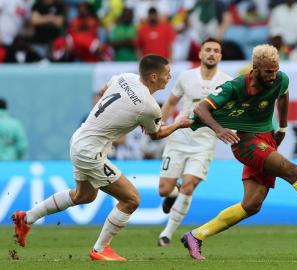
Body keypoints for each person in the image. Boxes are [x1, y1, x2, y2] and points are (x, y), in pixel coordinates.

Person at [180, 44, 297, 260]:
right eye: (268, 72)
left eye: (275, 70)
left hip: (266, 140)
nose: (273, 76)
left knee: (252, 204)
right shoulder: (235, 86)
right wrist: (219, 130)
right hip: (246, 142)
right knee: (293, 171)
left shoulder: (280, 79)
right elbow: (201, 109)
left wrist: (282, 127)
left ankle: (196, 236)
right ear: (255, 69)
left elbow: (283, 94)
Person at [11, 54, 193, 261]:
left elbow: (103, 91)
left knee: (84, 196)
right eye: (167, 74)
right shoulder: (149, 106)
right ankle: (100, 249)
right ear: (153, 77)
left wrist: (119, 114)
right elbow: (156, 135)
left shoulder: (125, 77)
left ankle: (27, 218)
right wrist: (179, 123)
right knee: (131, 199)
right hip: (91, 151)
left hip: (80, 138)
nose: (169, 78)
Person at [157, 38, 232, 246]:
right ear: (200, 54)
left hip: (205, 141)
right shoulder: (185, 77)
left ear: (220, 56)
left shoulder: (227, 82)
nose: (211, 54)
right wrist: (160, 123)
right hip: (179, 137)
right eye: (208, 50)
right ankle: (172, 194)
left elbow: (231, 112)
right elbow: (171, 102)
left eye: (216, 51)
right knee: (164, 189)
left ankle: (166, 234)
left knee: (189, 186)